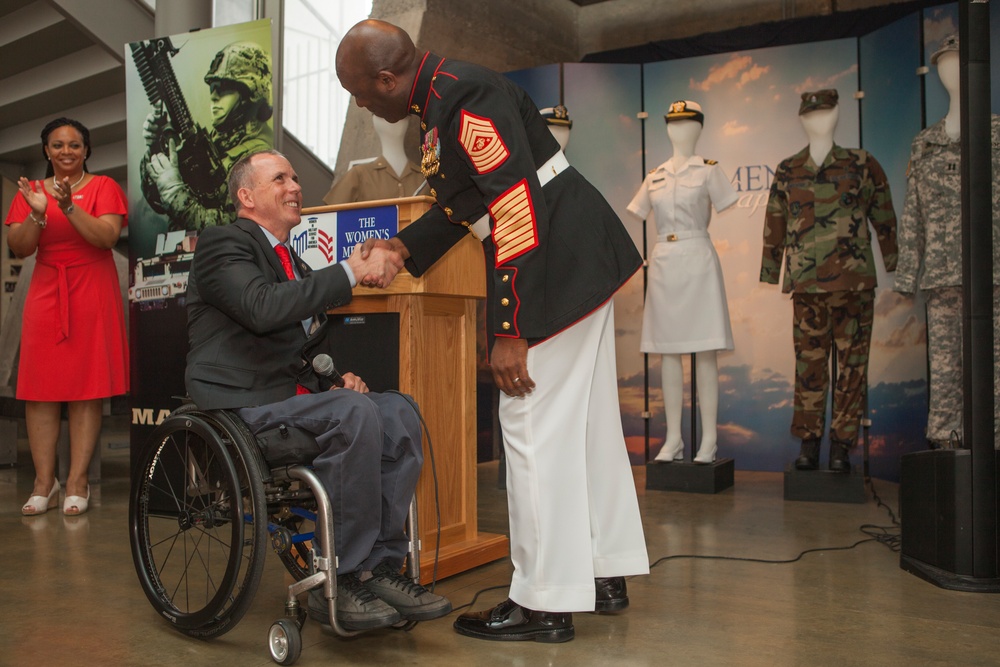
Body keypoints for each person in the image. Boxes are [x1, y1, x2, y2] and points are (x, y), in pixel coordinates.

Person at [336, 19, 649, 643]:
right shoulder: (443, 93)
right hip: (575, 251)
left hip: (554, 262)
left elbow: (512, 204)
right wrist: (402, 246)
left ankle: (542, 603)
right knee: (584, 425)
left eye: (364, 93)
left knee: (530, 425)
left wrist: (512, 329)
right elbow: (463, 201)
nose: (362, 104)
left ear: (390, 77)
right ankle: (601, 569)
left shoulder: (461, 98)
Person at [184, 148, 451, 631]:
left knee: (398, 411)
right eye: (279, 179)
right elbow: (262, 309)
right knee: (353, 414)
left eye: (296, 178)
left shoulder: (297, 264)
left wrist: (335, 380)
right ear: (246, 196)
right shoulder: (222, 244)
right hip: (244, 405)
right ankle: (343, 574)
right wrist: (349, 271)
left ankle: (381, 567)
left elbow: (297, 347)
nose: (295, 187)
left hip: (292, 397)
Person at [760, 89, 898, 473]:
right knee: (810, 368)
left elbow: (884, 214)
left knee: (851, 370)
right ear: (802, 119)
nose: (817, 120)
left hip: (853, 286)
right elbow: (774, 223)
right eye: (810, 115)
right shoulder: (789, 169)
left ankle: (841, 446)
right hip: (806, 287)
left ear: (837, 114)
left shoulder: (861, 164)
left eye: (824, 113)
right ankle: (809, 442)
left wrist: (893, 258)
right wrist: (771, 270)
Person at [5, 117, 128, 516]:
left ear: (86, 151)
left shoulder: (104, 187)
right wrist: (37, 215)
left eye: (74, 145)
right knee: (39, 387)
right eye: (57, 145)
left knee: (85, 387)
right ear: (46, 151)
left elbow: (106, 237)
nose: (66, 152)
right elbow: (20, 247)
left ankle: (77, 481)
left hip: (92, 288)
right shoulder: (31, 191)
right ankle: (45, 482)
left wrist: (67, 206)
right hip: (45, 288)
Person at [895, 33, 1000, 448]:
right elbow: (913, 212)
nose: (950, 68)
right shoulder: (925, 143)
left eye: (958, 59)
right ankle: (947, 450)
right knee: (945, 372)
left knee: (995, 369)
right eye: (944, 60)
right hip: (942, 276)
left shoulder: (997, 134)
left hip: (992, 273)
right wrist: (907, 273)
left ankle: (993, 455)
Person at [627, 100, 738, 465]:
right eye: (673, 124)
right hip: (664, 262)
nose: (678, 130)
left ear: (699, 128)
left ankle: (709, 440)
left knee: (705, 352)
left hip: (698, 259)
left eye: (686, 123)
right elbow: (639, 210)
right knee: (668, 352)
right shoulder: (655, 175)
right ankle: (673, 438)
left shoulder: (709, 171)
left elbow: (724, 203)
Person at [140, 41, 274, 231]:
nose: (214, 96)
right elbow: (156, 201)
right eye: (213, 87)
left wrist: (175, 193)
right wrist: (155, 146)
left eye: (225, 87)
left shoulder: (260, 158)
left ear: (250, 94)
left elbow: (237, 226)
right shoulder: (211, 143)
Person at [323, 114, 429, 204]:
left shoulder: (424, 180)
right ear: (375, 120)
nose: (393, 122)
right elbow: (329, 219)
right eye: (384, 115)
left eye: (399, 116)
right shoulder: (359, 176)